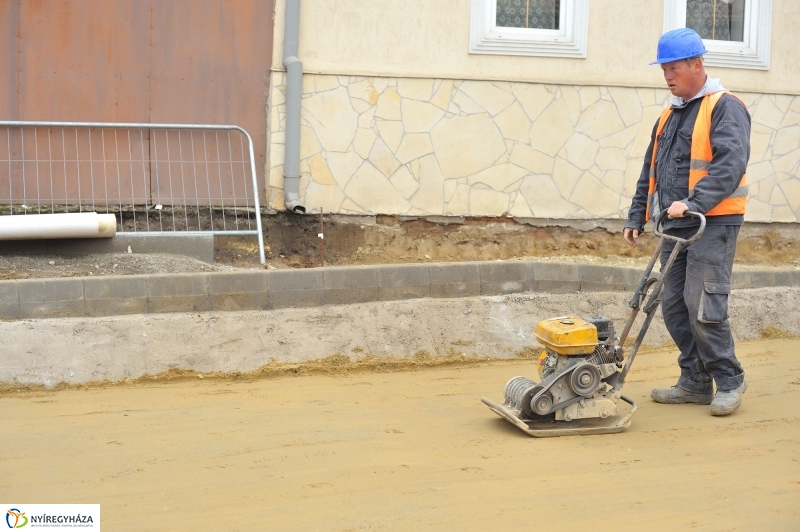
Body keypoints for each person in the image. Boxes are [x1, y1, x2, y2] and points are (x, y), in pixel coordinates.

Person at [623, 28, 750, 416]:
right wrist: (637, 214)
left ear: (697, 64)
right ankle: (695, 380)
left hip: (712, 224)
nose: (668, 76)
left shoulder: (725, 106)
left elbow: (730, 165)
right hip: (674, 225)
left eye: (674, 68)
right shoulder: (670, 112)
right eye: (664, 70)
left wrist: (693, 203)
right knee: (673, 306)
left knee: (702, 303)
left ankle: (729, 379)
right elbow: (652, 169)